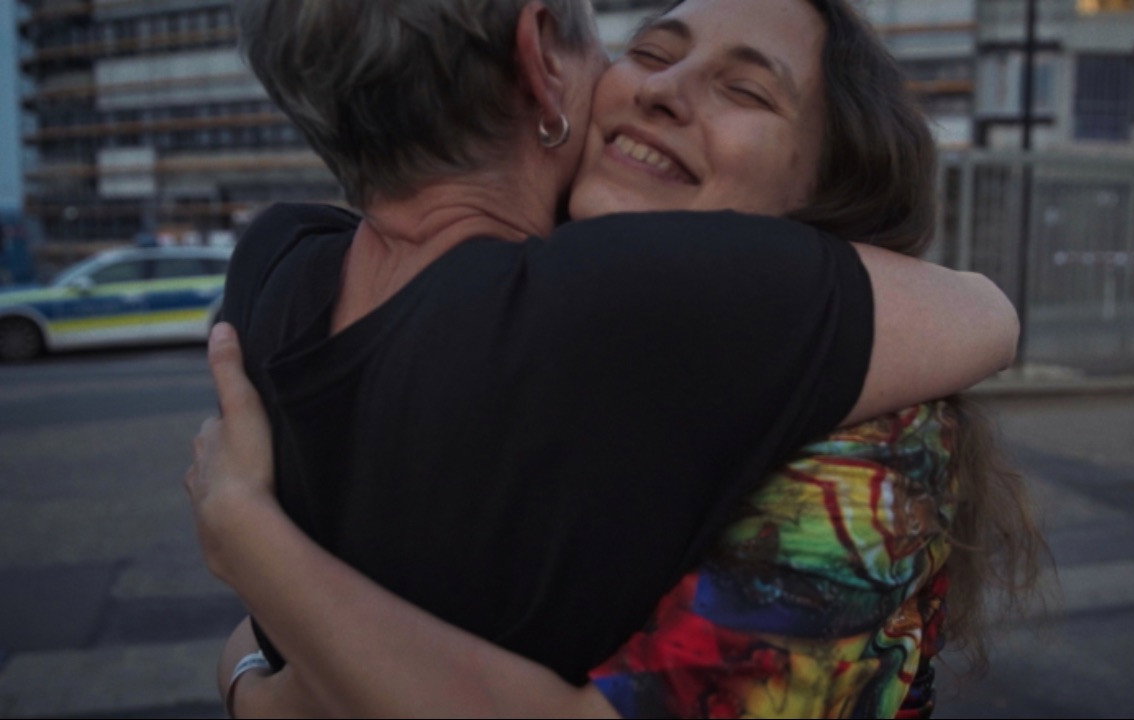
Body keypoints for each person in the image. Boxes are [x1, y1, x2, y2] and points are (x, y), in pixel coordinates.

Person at [185, 0, 1038, 716]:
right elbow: (985, 311)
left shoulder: (872, 455)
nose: (660, 91)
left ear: (828, 190)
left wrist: (253, 578)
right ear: (542, 62)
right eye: (648, 53)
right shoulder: (538, 318)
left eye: (745, 89)